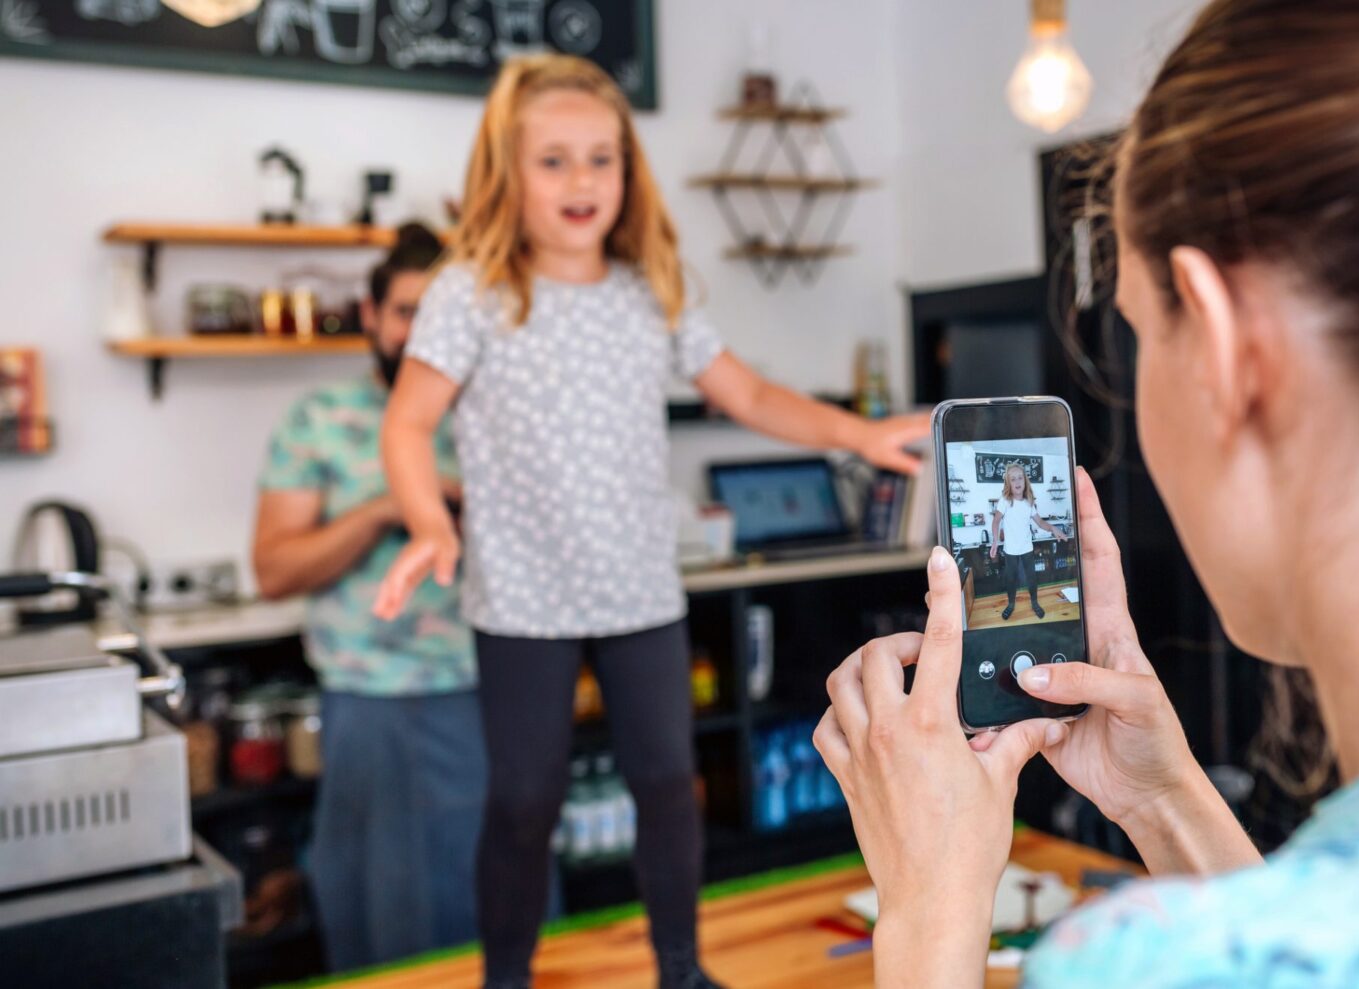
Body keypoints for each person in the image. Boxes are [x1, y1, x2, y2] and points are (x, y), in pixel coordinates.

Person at [814, 1, 1359, 986]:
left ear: (1226, 348)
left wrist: (929, 909)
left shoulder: (1140, 963)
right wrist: (1162, 798)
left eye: (1143, 332)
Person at [368, 55, 929, 989]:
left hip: (639, 588)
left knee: (669, 784)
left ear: (629, 171)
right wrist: (430, 521)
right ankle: (504, 976)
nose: (582, 181)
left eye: (602, 157)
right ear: (507, 174)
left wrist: (859, 432)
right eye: (553, 161)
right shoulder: (470, 292)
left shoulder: (650, 287)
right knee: (523, 800)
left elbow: (744, 390)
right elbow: (409, 423)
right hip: (520, 597)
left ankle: (681, 968)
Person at [252, 224, 487, 971]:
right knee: (381, 916)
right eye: (405, 312)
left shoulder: (491, 417)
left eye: (438, 315)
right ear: (370, 316)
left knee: (490, 904)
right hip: (369, 700)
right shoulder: (318, 419)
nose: (420, 333)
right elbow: (274, 569)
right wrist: (391, 507)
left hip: (489, 691)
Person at [990, 462, 1068, 621]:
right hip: (1010, 550)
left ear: (1025, 481)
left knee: (1031, 578)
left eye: (1020, 478)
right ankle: (1011, 605)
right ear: (1008, 483)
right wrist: (994, 542)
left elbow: (1040, 523)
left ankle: (1035, 603)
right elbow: (996, 522)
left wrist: (1053, 528)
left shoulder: (1029, 502)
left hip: (1027, 548)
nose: (1017, 482)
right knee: (1011, 579)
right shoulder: (1005, 501)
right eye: (1013, 479)